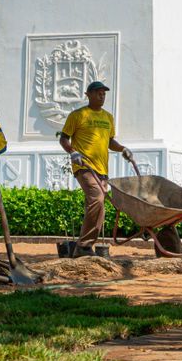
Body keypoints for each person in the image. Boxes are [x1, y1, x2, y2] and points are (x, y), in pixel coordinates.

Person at [59, 81, 132, 255]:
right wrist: (72, 152)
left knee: (98, 207)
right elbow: (63, 139)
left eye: (104, 93)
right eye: (98, 93)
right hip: (83, 166)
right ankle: (84, 246)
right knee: (97, 199)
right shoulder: (78, 115)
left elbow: (110, 142)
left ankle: (83, 247)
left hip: (102, 169)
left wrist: (122, 149)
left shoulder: (108, 117)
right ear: (88, 94)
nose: (102, 96)